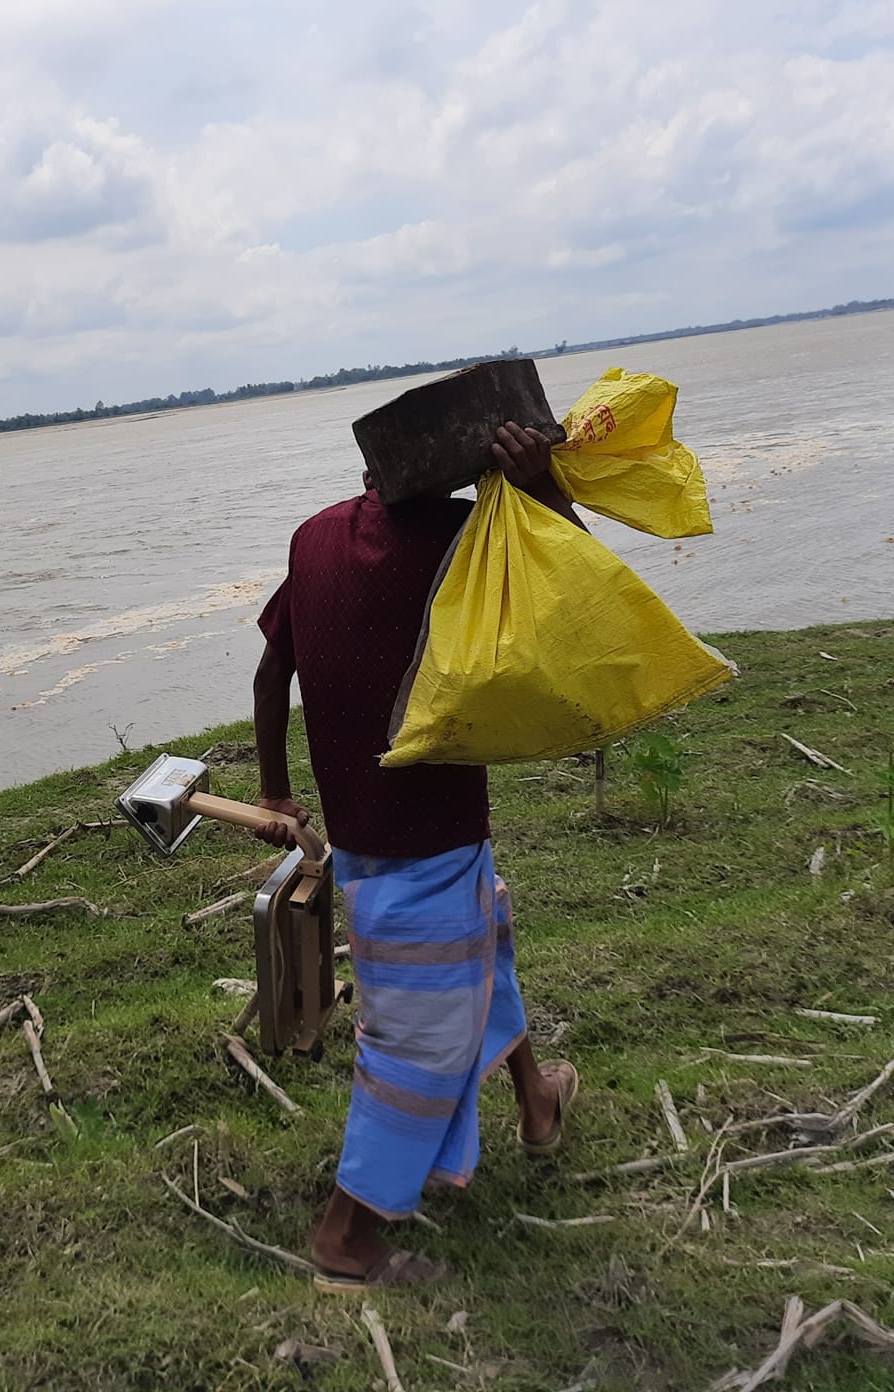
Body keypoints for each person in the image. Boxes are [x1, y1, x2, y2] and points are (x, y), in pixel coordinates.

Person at [250, 421, 581, 1292]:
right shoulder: (462, 537)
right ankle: (345, 1240)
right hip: (429, 826)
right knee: (419, 1038)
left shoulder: (313, 536)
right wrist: (543, 489)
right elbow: (583, 600)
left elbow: (269, 671)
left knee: (484, 943)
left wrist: (278, 792)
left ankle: (537, 1099)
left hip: (369, 826)